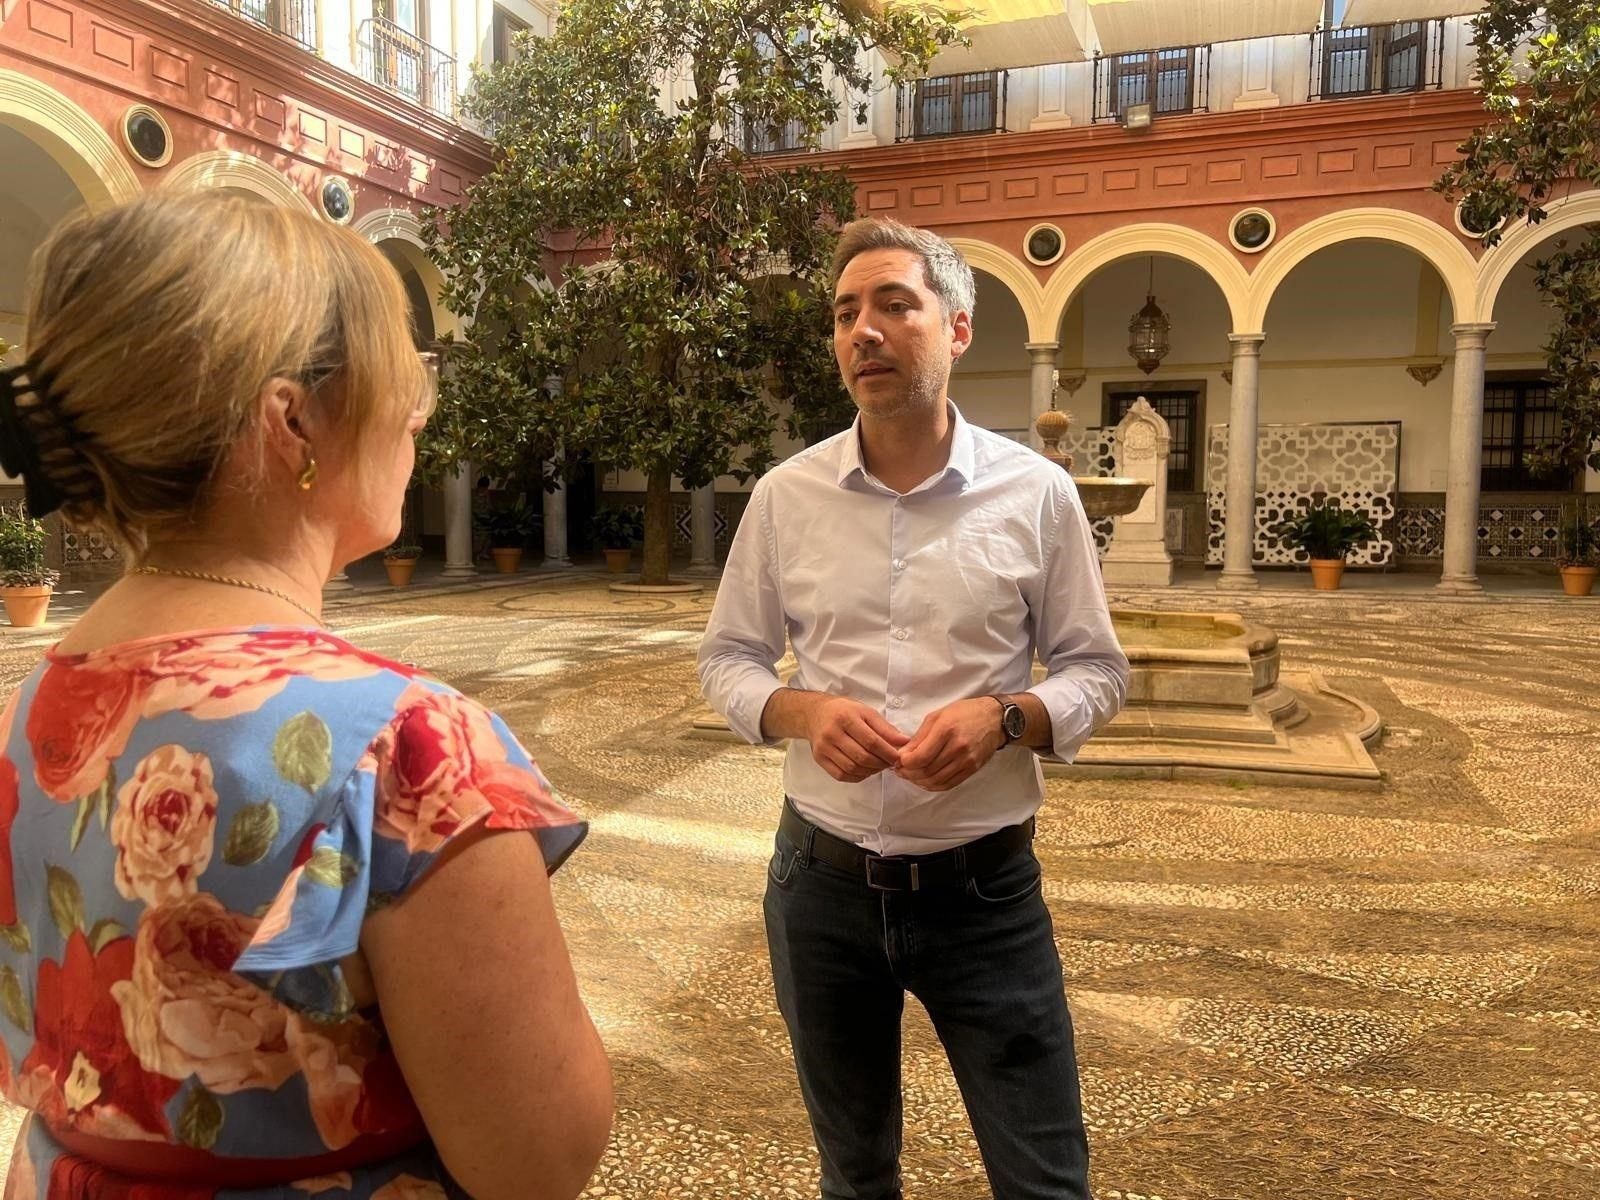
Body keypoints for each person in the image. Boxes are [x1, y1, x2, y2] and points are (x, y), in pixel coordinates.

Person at [0, 192, 612, 1199]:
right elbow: (537, 1160)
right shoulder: (409, 749)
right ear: (293, 421)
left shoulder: (32, 715)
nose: (418, 412)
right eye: (398, 378)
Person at [698, 217, 1129, 1200]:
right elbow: (727, 658)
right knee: (854, 1177)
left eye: (895, 304)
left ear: (958, 327)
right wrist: (798, 711)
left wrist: (1006, 718)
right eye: (846, 313)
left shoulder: (1036, 495)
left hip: (985, 897)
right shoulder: (785, 496)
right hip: (819, 886)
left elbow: (1095, 670)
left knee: (1044, 1178)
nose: (864, 331)